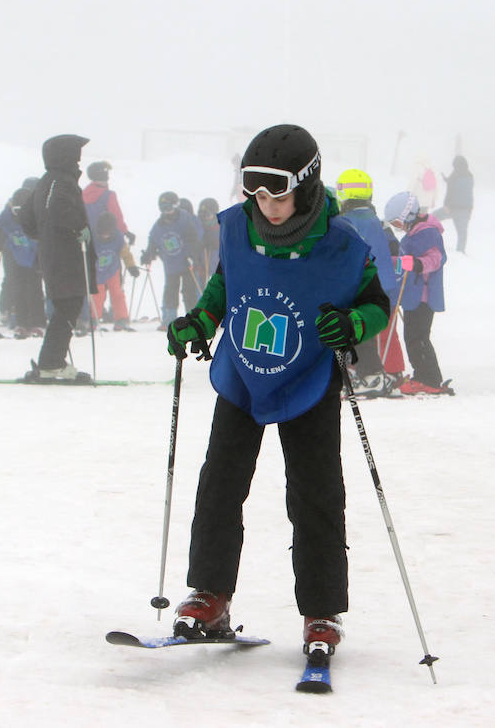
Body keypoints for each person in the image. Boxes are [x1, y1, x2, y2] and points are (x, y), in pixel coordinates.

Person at [164, 124, 390, 665]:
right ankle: (210, 595)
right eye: (257, 194)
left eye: (278, 194)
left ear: (307, 186)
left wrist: (352, 323)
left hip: (308, 376)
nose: (266, 206)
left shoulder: (343, 245)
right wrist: (201, 319)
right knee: (220, 481)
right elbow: (227, 281)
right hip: (243, 370)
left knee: (314, 494)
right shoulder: (239, 228)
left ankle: (321, 610)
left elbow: (377, 303)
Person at [19, 134, 95, 383]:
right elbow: (57, 210)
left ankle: (51, 361)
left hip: (55, 255)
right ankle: (51, 363)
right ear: (66, 156)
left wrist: (45, 237)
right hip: (66, 257)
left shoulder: (47, 181)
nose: (79, 159)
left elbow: (27, 219)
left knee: (66, 308)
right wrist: (76, 229)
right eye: (76, 153)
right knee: (68, 308)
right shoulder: (60, 181)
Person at [335, 168, 403, 397]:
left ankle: (366, 373)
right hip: (385, 285)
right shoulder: (380, 224)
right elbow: (395, 249)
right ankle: (371, 372)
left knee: (354, 327)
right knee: (370, 328)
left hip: (358, 284)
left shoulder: (342, 223)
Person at [384, 191, 451, 396]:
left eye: (397, 223)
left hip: (423, 296)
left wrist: (417, 264)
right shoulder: (411, 235)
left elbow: (436, 258)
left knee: (418, 337)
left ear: (409, 215)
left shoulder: (429, 233)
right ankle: (423, 375)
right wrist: (394, 263)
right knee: (413, 336)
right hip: (413, 295)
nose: (398, 228)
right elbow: (404, 262)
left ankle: (429, 379)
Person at [0, 177, 45, 339]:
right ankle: (20, 321)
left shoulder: (39, 211)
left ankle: (37, 322)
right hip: (14, 255)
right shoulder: (8, 214)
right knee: (17, 287)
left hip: (34, 256)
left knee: (34, 288)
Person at [81, 160, 135, 331]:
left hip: (89, 240)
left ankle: (94, 315)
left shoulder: (83, 194)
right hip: (110, 237)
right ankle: (119, 317)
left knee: (95, 285)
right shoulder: (108, 195)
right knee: (115, 285)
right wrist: (124, 232)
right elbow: (116, 216)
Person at [141, 191, 202, 331]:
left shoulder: (185, 219)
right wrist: (148, 255)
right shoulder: (159, 226)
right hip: (171, 265)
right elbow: (153, 242)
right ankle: (169, 319)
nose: (167, 213)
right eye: (163, 209)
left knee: (189, 292)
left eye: (169, 208)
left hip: (187, 263)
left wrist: (192, 255)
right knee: (170, 292)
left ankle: (193, 319)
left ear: (176, 206)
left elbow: (193, 239)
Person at [89, 210, 140, 330]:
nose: (105, 235)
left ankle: (121, 318)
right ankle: (94, 318)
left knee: (117, 293)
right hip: (97, 272)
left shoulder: (118, 237)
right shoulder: (92, 238)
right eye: (102, 233)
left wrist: (131, 266)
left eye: (108, 233)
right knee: (97, 295)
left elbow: (126, 254)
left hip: (113, 270)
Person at [441, 155, 475, 253]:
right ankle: (461, 252)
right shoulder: (470, 175)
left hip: (453, 208)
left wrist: (446, 205)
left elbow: (450, 191)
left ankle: (428, 238)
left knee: (434, 217)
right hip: (467, 209)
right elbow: (463, 189)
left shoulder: (455, 175)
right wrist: (447, 180)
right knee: (462, 233)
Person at [198, 197, 221, 278]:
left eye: (207, 214)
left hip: (219, 273)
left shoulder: (222, 228)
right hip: (203, 273)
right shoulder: (198, 229)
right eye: (202, 214)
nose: (204, 218)